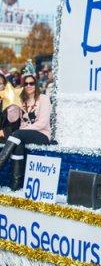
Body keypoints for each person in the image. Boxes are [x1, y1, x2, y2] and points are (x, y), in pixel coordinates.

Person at [0, 60, 51, 191]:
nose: (29, 86)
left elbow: (42, 123)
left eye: (32, 83)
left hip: (42, 134)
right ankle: (16, 185)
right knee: (18, 144)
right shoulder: (21, 100)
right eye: (26, 83)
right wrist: (12, 104)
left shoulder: (44, 99)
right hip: (23, 135)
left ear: (36, 84)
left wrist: (22, 131)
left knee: (16, 135)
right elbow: (14, 120)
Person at [0, 71, 20, 142]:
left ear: (5, 86)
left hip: (6, 134)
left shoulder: (11, 101)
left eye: (0, 84)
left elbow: (14, 123)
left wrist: (3, 132)